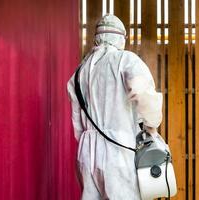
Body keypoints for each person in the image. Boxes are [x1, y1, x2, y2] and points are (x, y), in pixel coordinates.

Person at [67, 14, 162, 200]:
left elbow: (77, 124)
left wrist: (89, 140)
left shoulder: (79, 72)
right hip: (118, 150)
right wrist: (152, 126)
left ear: (97, 37)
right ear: (120, 38)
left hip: (86, 153)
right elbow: (141, 90)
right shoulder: (126, 60)